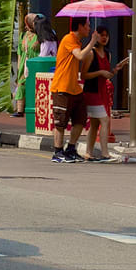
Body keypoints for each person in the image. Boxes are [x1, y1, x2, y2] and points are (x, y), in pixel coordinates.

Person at [49, 17, 95, 163]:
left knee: (80, 119)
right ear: (80, 26)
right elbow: (80, 55)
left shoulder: (77, 42)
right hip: (62, 87)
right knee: (60, 122)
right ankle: (57, 151)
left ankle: (71, 148)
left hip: (74, 88)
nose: (89, 28)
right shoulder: (69, 39)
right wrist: (92, 42)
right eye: (87, 25)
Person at [82, 23, 117, 161]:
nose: (104, 38)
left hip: (102, 91)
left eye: (106, 35)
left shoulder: (108, 54)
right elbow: (84, 75)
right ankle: (104, 153)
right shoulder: (91, 54)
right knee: (105, 120)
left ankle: (88, 152)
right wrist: (100, 72)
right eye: (101, 35)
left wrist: (113, 72)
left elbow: (106, 75)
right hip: (92, 92)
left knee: (95, 124)